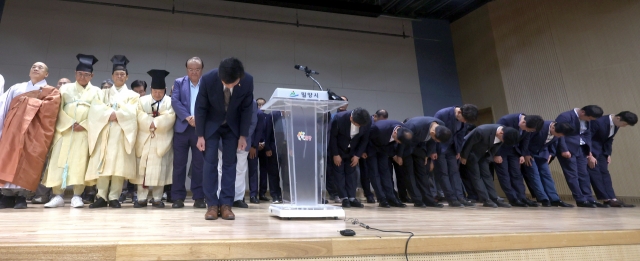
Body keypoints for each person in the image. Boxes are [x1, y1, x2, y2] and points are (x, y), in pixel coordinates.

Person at [196, 57, 254, 221]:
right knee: (210, 163)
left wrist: (243, 135)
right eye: (226, 83)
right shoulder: (208, 79)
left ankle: (226, 204)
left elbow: (247, 110)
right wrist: (200, 135)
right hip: (211, 125)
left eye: (233, 83)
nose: (229, 86)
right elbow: (200, 107)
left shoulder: (248, 81)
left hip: (232, 127)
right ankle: (212, 205)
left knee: (230, 163)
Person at [42, 54, 103, 208]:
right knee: (59, 161)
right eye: (80, 74)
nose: (83, 77)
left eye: (86, 74)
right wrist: (69, 123)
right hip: (64, 131)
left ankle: (77, 195)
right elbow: (57, 108)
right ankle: (57, 195)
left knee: (80, 163)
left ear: (92, 76)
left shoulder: (97, 91)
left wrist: (84, 124)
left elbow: (100, 112)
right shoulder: (65, 89)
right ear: (75, 74)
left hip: (84, 132)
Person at [0, 62, 60, 209]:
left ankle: (22, 196)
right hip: (13, 131)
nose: (36, 68)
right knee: (8, 158)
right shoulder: (16, 88)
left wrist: (27, 101)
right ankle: (6, 195)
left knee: (27, 161)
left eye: (40, 67)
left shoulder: (51, 91)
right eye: (33, 66)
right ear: (29, 72)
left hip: (34, 132)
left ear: (46, 74)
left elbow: (50, 112)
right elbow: (5, 108)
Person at [85, 55, 139, 208]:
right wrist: (110, 114)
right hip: (105, 132)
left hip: (122, 133)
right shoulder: (103, 93)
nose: (119, 76)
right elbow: (96, 109)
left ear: (127, 77)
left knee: (118, 165)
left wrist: (118, 115)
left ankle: (114, 196)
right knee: (103, 163)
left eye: (122, 74)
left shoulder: (133, 96)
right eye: (117, 74)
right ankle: (101, 196)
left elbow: (133, 112)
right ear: (112, 76)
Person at [130, 70, 175, 208]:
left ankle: (157, 198)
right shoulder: (142, 100)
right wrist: (149, 122)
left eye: (160, 91)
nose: (157, 94)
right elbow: (138, 114)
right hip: (145, 138)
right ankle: (141, 198)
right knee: (142, 170)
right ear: (150, 89)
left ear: (165, 90)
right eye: (155, 91)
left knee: (159, 170)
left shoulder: (170, 101)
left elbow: (170, 116)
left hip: (161, 139)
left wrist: (155, 123)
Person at [170, 57, 206, 209]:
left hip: (200, 131)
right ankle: (178, 197)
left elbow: (210, 103)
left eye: (197, 69)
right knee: (179, 164)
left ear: (201, 70)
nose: (194, 72)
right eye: (191, 69)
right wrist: (188, 117)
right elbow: (175, 101)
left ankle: (198, 197)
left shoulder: (207, 84)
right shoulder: (179, 82)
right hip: (182, 129)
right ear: (187, 70)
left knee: (199, 165)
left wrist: (199, 118)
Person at [555, 105, 606, 208]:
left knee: (584, 174)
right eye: (589, 118)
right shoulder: (565, 116)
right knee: (572, 174)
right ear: (582, 112)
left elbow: (587, 135)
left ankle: (589, 198)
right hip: (568, 149)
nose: (589, 120)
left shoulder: (586, 119)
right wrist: (564, 149)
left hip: (582, 149)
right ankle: (580, 199)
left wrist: (589, 151)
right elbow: (559, 134)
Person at [32, 77, 72, 204]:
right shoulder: (50, 96)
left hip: (64, 134)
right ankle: (41, 194)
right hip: (46, 134)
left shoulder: (71, 99)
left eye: (65, 83)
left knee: (60, 165)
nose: (62, 85)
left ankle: (57, 193)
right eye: (59, 83)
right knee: (43, 164)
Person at [398, 116, 452, 208]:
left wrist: (427, 155)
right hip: (406, 147)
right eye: (436, 139)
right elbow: (402, 140)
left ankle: (429, 200)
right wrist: (399, 155)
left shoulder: (441, 126)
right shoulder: (413, 125)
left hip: (420, 148)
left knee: (422, 174)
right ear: (432, 132)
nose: (436, 141)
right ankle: (418, 200)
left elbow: (432, 142)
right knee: (409, 174)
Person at [460, 124, 518, 208]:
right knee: (476, 176)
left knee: (488, 176)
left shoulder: (505, 133)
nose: (502, 141)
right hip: (472, 155)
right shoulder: (481, 131)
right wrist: (464, 156)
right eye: (503, 139)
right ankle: (485, 199)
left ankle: (495, 198)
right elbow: (468, 143)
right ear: (501, 133)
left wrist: (489, 158)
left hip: (484, 155)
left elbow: (496, 147)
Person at [588, 111, 637, 207]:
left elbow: (609, 140)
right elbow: (587, 137)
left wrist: (608, 154)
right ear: (618, 118)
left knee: (605, 173)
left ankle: (612, 198)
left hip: (602, 151)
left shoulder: (616, 124)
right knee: (595, 173)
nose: (624, 126)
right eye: (624, 124)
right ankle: (605, 198)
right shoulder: (598, 121)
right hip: (591, 151)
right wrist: (589, 155)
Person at [494, 113, 544, 207]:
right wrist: (496, 154)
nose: (527, 131)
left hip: (515, 151)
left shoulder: (529, 123)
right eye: (528, 129)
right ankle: (513, 199)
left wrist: (522, 154)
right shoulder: (505, 120)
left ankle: (522, 198)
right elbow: (495, 137)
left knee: (517, 174)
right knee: (505, 175)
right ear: (523, 122)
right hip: (501, 151)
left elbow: (526, 140)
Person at [521, 121, 574, 207]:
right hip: (530, 154)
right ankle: (543, 199)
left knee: (547, 175)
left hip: (543, 153)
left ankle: (555, 199)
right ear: (552, 127)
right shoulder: (539, 126)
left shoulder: (558, 131)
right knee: (534, 175)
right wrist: (526, 154)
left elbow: (554, 142)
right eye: (558, 134)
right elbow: (526, 140)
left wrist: (551, 154)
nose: (559, 136)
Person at [434, 105, 478, 207]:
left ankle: (460, 197)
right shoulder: (442, 114)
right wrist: (433, 151)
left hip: (452, 148)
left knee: (454, 173)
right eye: (464, 119)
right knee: (443, 173)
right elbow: (434, 133)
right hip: (439, 148)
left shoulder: (463, 120)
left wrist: (458, 151)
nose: (465, 122)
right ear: (459, 113)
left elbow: (460, 136)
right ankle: (451, 199)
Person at [216, 100, 258, 208]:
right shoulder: (225, 98)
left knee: (240, 170)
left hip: (243, 141)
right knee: (222, 169)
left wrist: (243, 137)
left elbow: (253, 122)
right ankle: (222, 197)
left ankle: (238, 198)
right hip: (224, 140)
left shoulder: (251, 102)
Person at [329, 108, 371, 208]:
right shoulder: (339, 118)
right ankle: (344, 198)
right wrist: (335, 154)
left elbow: (364, 140)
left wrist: (357, 155)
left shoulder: (366, 121)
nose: (359, 127)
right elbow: (332, 137)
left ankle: (352, 198)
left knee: (352, 175)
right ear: (351, 118)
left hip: (353, 152)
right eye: (357, 124)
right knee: (339, 174)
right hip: (338, 151)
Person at [366, 119, 413, 208]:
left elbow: (400, 143)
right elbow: (366, 138)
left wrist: (396, 155)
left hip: (385, 149)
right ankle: (382, 199)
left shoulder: (405, 131)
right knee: (374, 173)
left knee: (386, 173)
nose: (398, 143)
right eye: (397, 140)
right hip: (371, 149)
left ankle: (392, 198)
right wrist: (363, 152)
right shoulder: (378, 128)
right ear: (395, 132)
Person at [255, 98, 271, 202]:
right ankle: (253, 194)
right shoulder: (254, 115)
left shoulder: (268, 117)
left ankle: (262, 193)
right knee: (253, 170)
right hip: (254, 146)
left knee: (264, 170)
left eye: (263, 104)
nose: (261, 106)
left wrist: (264, 143)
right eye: (259, 104)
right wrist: (256, 143)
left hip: (265, 147)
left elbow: (269, 132)